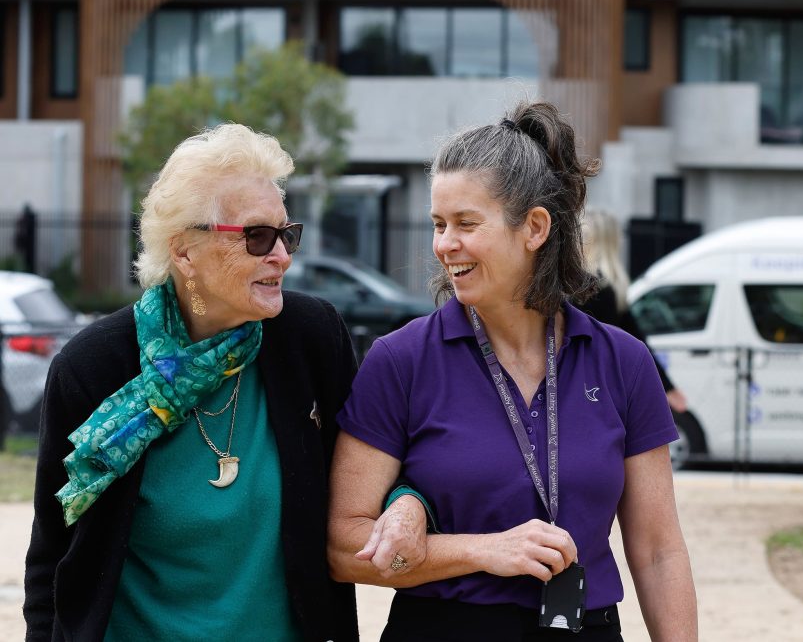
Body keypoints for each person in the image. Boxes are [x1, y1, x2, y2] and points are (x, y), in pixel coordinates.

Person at [328, 102, 698, 641]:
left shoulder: (623, 361)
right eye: (438, 224)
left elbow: (659, 550)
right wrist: (483, 549)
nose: (443, 244)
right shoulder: (400, 360)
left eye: (466, 224)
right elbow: (344, 548)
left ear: (535, 228)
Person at [25, 123, 370, 641]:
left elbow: (374, 473)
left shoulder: (309, 338)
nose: (282, 255)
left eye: (286, 234)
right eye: (257, 237)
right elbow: (53, 554)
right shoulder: (93, 367)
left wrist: (411, 503)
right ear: (185, 251)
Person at [581, 209, 688, 414]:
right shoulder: (609, 287)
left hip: (586, 389)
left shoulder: (586, 288)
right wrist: (667, 386)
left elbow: (634, 337)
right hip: (600, 389)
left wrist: (667, 386)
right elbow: (637, 339)